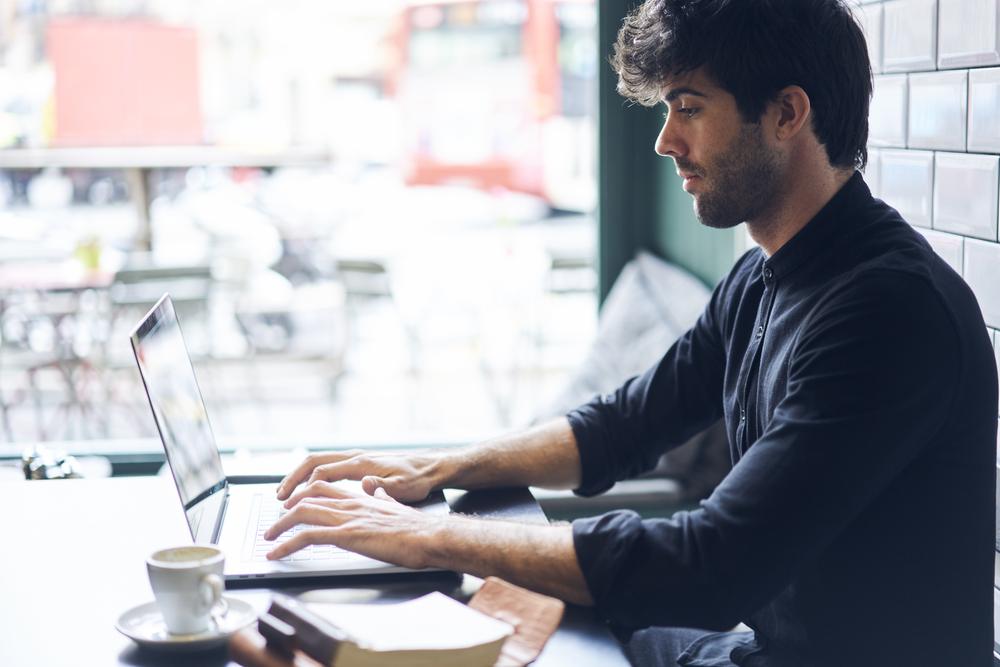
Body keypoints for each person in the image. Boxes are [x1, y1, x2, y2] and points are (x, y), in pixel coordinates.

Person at [263, 1, 998, 665]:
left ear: (786, 114)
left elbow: (711, 565)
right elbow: (621, 426)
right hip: (761, 650)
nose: (665, 141)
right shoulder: (761, 278)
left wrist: (427, 536)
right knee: (521, 618)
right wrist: (433, 470)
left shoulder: (888, 312)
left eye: (688, 107)